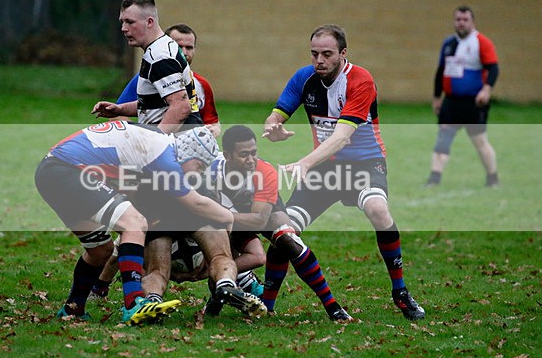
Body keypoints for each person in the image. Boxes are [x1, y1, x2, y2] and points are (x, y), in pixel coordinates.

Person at [262, 24, 425, 320]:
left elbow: (341, 137)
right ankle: (266, 304)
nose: (319, 60)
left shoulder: (361, 80)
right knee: (284, 231)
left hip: (365, 163)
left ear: (343, 53)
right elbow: (278, 112)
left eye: (327, 54)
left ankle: (400, 291)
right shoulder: (304, 78)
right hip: (326, 169)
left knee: (378, 209)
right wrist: (272, 126)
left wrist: (304, 163)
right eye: (314, 54)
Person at [35, 121, 265, 324]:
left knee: (99, 250)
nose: (197, 174)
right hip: (68, 170)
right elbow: (196, 203)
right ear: (190, 156)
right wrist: (229, 217)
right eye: (199, 167)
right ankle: (134, 303)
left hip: (51, 171)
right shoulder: (165, 156)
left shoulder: (157, 144)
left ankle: (73, 309)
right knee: (134, 223)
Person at [207, 125, 353, 322]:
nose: (251, 159)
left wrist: (222, 215)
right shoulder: (211, 170)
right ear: (228, 155)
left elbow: (259, 220)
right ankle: (222, 289)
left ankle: (332, 306)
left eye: (253, 153)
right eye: (244, 155)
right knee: (220, 249)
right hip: (229, 223)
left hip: (252, 215)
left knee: (287, 239)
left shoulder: (264, 172)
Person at [92, 0, 202, 133]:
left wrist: (154, 142)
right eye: (122, 22)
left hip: (181, 148)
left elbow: (181, 107)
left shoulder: (160, 56)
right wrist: (120, 109)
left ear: (149, 22)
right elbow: (157, 103)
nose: (124, 28)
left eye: (130, 22)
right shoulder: (160, 48)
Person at [426, 5, 500, 187]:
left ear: (472, 22)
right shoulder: (449, 44)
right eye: (458, 19)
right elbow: (441, 71)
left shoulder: (481, 42)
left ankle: (492, 178)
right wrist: (437, 97)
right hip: (451, 102)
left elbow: (493, 68)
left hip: (473, 103)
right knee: (443, 139)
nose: (461, 23)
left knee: (480, 141)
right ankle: (434, 178)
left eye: (465, 20)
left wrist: (486, 90)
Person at [116, 23, 220, 136]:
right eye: (179, 46)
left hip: (188, 148)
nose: (184, 53)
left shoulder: (202, 84)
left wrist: (212, 130)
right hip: (153, 144)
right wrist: (141, 136)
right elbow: (118, 118)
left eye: (189, 48)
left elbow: (213, 123)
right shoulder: (145, 78)